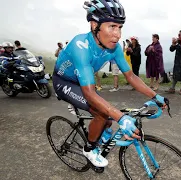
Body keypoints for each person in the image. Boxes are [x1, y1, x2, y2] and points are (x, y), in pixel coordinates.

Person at [52, 0, 167, 168]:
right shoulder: (80, 46)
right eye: (112, 27)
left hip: (84, 81)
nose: (118, 34)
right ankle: (89, 149)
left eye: (120, 27)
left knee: (107, 116)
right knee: (102, 113)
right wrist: (121, 118)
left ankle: (103, 130)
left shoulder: (114, 48)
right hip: (65, 82)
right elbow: (90, 94)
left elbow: (131, 76)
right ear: (94, 25)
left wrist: (155, 96)